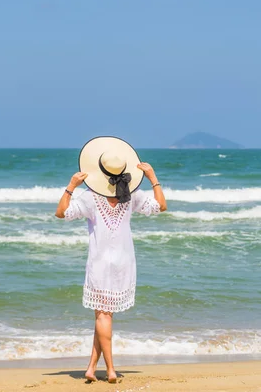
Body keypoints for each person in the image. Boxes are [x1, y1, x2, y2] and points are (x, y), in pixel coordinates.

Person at [55, 137, 167, 383]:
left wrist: (71, 186)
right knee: (105, 315)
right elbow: (161, 206)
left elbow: (61, 213)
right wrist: (152, 177)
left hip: (100, 261)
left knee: (102, 315)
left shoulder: (89, 198)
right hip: (125, 260)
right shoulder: (131, 195)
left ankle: (112, 370)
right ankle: (91, 368)